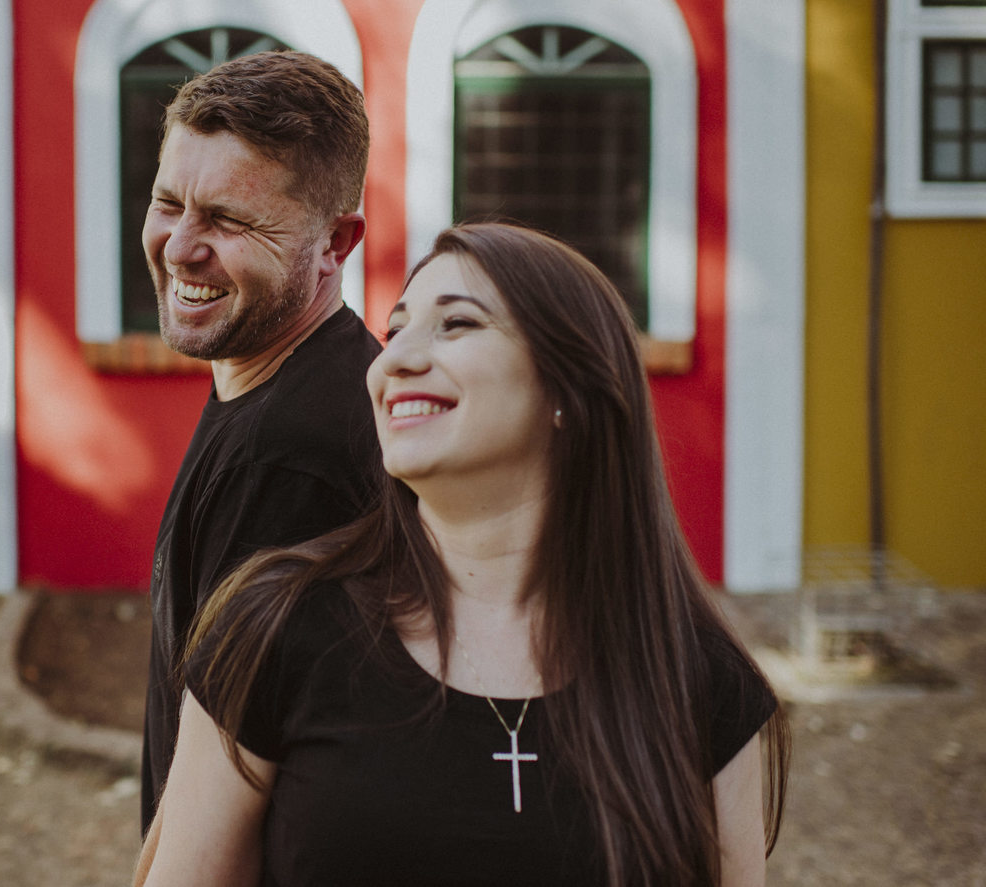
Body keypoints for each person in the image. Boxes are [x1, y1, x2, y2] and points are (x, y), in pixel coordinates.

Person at [137, 222, 790, 886]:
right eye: (395, 333)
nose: (392, 362)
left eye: (456, 325)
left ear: (567, 390)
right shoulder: (275, 627)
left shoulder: (699, 678)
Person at [137, 50, 382, 837]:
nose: (179, 247)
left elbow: (231, 797)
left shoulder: (292, 456)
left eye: (229, 220)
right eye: (169, 202)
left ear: (336, 244)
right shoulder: (275, 384)